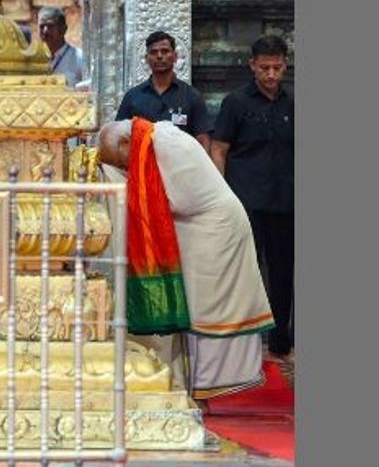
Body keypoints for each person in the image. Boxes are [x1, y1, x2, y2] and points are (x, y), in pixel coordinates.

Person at [98, 118, 273, 399]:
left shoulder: (168, 143)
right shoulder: (150, 143)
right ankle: (191, 382)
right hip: (196, 232)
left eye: (122, 163)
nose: (126, 169)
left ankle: (212, 381)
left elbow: (182, 199)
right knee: (191, 306)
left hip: (215, 231)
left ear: (126, 143)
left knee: (207, 307)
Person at [210, 34, 294, 361]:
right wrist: (221, 196)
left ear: (285, 66)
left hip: (285, 202)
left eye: (277, 67)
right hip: (244, 202)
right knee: (243, 270)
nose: (271, 74)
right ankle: (240, 344)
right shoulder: (236, 103)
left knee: (283, 272)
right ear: (252, 66)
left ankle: (280, 342)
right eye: (264, 68)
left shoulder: (292, 103)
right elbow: (219, 149)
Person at [115, 31, 211, 150]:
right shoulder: (132, 97)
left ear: (175, 56)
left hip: (179, 160)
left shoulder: (192, 96)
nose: (159, 56)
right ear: (146, 58)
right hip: (141, 160)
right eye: (153, 52)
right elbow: (119, 137)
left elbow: (202, 139)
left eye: (165, 51)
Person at [38, 6, 84, 88]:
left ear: (63, 29)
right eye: (42, 26)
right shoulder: (35, 60)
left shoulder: (79, 58)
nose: (45, 31)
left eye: (50, 26)